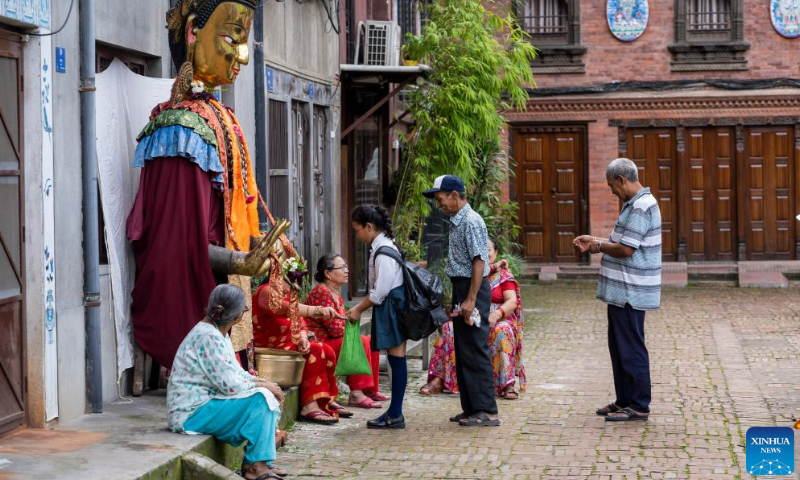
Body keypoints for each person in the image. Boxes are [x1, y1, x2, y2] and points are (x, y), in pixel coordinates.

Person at [127, 0, 290, 369]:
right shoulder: (179, 127)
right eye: (233, 40)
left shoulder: (221, 116)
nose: (243, 57)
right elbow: (179, 239)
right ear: (192, 33)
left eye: (246, 43)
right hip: (202, 271)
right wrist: (236, 258)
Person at [573, 157, 662, 422]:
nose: (611, 191)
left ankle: (638, 404)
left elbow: (626, 249)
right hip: (622, 292)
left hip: (631, 291)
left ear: (622, 180)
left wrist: (597, 246)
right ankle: (624, 399)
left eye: (612, 185)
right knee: (620, 346)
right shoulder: (633, 204)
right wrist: (597, 240)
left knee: (631, 347)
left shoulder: (641, 207)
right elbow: (622, 241)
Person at [168, 284, 287, 480]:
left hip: (205, 405)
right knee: (261, 399)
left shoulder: (217, 333)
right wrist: (262, 386)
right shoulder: (207, 336)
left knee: (265, 392)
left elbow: (234, 372)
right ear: (236, 315)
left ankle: (258, 461)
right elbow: (229, 385)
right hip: (191, 413)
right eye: (244, 309)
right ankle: (255, 466)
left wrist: (261, 381)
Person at [423, 175, 500, 427]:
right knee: (464, 348)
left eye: (441, 199)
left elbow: (479, 261)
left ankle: (487, 411)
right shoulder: (457, 221)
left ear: (454, 195)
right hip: (462, 288)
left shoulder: (471, 221)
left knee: (476, 348)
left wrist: (470, 299)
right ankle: (471, 408)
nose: (439, 204)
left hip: (472, 289)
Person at [421, 237, 526, 398]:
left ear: (496, 253)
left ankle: (507, 384)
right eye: (481, 251)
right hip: (471, 317)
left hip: (497, 319)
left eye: (489, 250)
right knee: (449, 328)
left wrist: (496, 314)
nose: (485, 253)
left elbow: (512, 301)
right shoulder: (471, 274)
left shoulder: (503, 275)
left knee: (502, 330)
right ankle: (438, 379)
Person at [252, 277, 353, 424]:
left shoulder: (289, 295)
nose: (295, 284)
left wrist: (304, 338)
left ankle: (325, 399)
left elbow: (301, 323)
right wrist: (317, 310)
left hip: (290, 344)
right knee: (317, 349)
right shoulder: (266, 291)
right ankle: (309, 406)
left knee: (326, 349)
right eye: (292, 279)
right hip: (271, 348)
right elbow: (285, 309)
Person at [346, 205, 408, 429]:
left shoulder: (383, 251)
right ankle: (395, 412)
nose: (357, 234)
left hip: (393, 307)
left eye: (357, 230)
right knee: (395, 359)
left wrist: (358, 308)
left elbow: (380, 291)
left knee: (396, 358)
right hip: (392, 307)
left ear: (369, 227)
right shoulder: (381, 247)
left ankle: (396, 413)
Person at [304, 254, 388, 408]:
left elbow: (339, 326)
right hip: (322, 343)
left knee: (372, 340)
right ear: (328, 273)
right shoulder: (321, 292)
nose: (346, 271)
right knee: (360, 341)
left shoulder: (335, 293)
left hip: (334, 340)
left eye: (346, 267)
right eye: (342, 267)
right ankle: (356, 393)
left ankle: (370, 389)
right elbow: (335, 330)